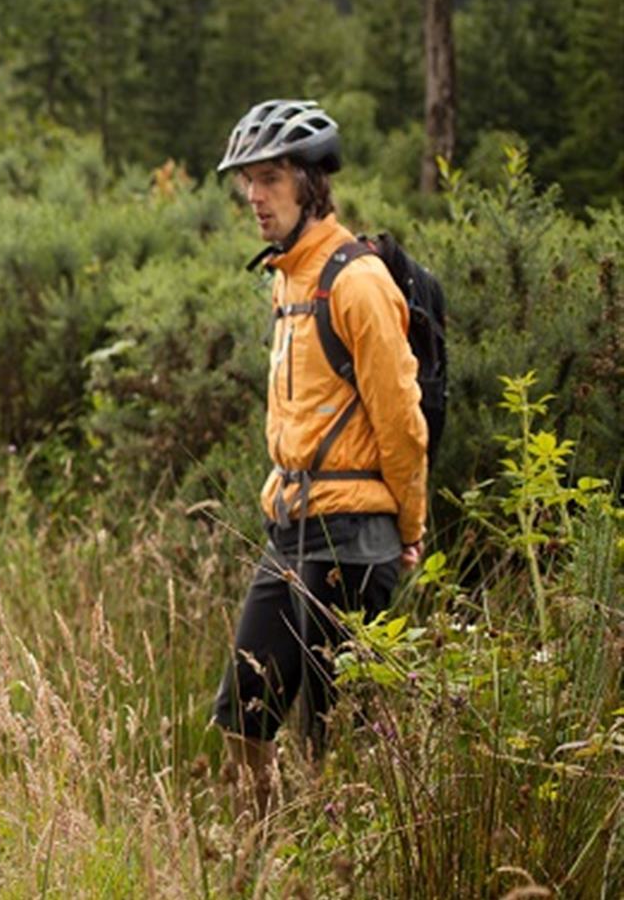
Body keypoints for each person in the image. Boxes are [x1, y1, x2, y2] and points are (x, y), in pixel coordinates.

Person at [210, 99, 428, 819]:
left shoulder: (358, 282)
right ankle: (263, 851)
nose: (255, 196)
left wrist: (411, 529)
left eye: (269, 178)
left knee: (336, 735)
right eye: (249, 180)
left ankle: (338, 865)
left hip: (355, 537)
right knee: (244, 711)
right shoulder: (286, 277)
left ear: (309, 181)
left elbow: (402, 419)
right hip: (291, 528)